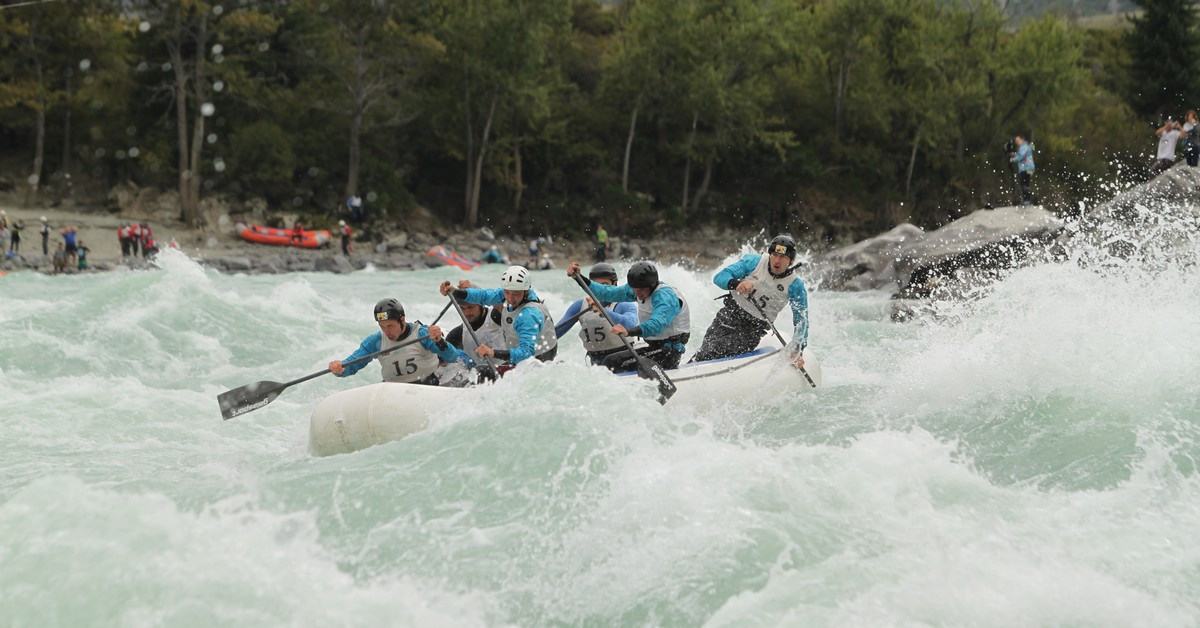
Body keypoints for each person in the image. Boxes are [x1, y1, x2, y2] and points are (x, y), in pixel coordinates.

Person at [689, 235, 809, 368]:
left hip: (753, 328)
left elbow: (801, 321)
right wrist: (736, 284)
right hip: (730, 314)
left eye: (783, 257)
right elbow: (720, 277)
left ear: (791, 261)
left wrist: (799, 349)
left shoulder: (795, 286)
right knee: (704, 352)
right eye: (774, 255)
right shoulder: (754, 262)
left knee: (716, 349)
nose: (777, 261)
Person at [565, 260, 690, 372]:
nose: (636, 294)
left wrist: (628, 331)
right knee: (609, 362)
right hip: (655, 348)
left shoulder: (665, 297)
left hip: (669, 352)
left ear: (652, 285)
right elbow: (607, 292)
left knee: (612, 362)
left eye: (640, 290)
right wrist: (578, 278)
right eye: (634, 289)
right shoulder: (638, 289)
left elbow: (656, 324)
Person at [438, 265, 558, 367]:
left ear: (526, 291)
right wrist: (455, 291)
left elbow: (527, 352)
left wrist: (493, 353)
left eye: (515, 294)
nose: (510, 298)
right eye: (507, 292)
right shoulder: (507, 294)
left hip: (539, 359)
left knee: (483, 372)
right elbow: (483, 296)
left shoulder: (528, 315)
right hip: (521, 355)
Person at [328, 298, 458, 385]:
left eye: (390, 326)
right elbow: (352, 365)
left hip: (427, 385)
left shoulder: (422, 333)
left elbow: (452, 357)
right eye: (382, 327)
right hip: (393, 390)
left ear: (402, 320)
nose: (387, 332)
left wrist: (440, 341)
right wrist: (340, 369)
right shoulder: (376, 341)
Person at [555, 262, 640, 365]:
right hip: (596, 365)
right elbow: (555, 333)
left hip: (624, 360)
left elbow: (630, 324)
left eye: (605, 285)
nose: (601, 289)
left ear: (615, 284)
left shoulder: (624, 304)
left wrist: (603, 312)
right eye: (597, 285)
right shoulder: (579, 306)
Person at [1009, 135, 1036, 205]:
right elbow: (1022, 154)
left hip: (1026, 167)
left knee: (1024, 183)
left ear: (1022, 139)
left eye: (1018, 140)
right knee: (1026, 183)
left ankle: (1027, 200)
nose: (1016, 142)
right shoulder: (1025, 145)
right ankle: (1027, 199)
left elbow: (1021, 157)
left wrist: (1013, 159)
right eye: (1016, 141)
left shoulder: (1024, 146)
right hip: (1028, 167)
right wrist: (1015, 154)